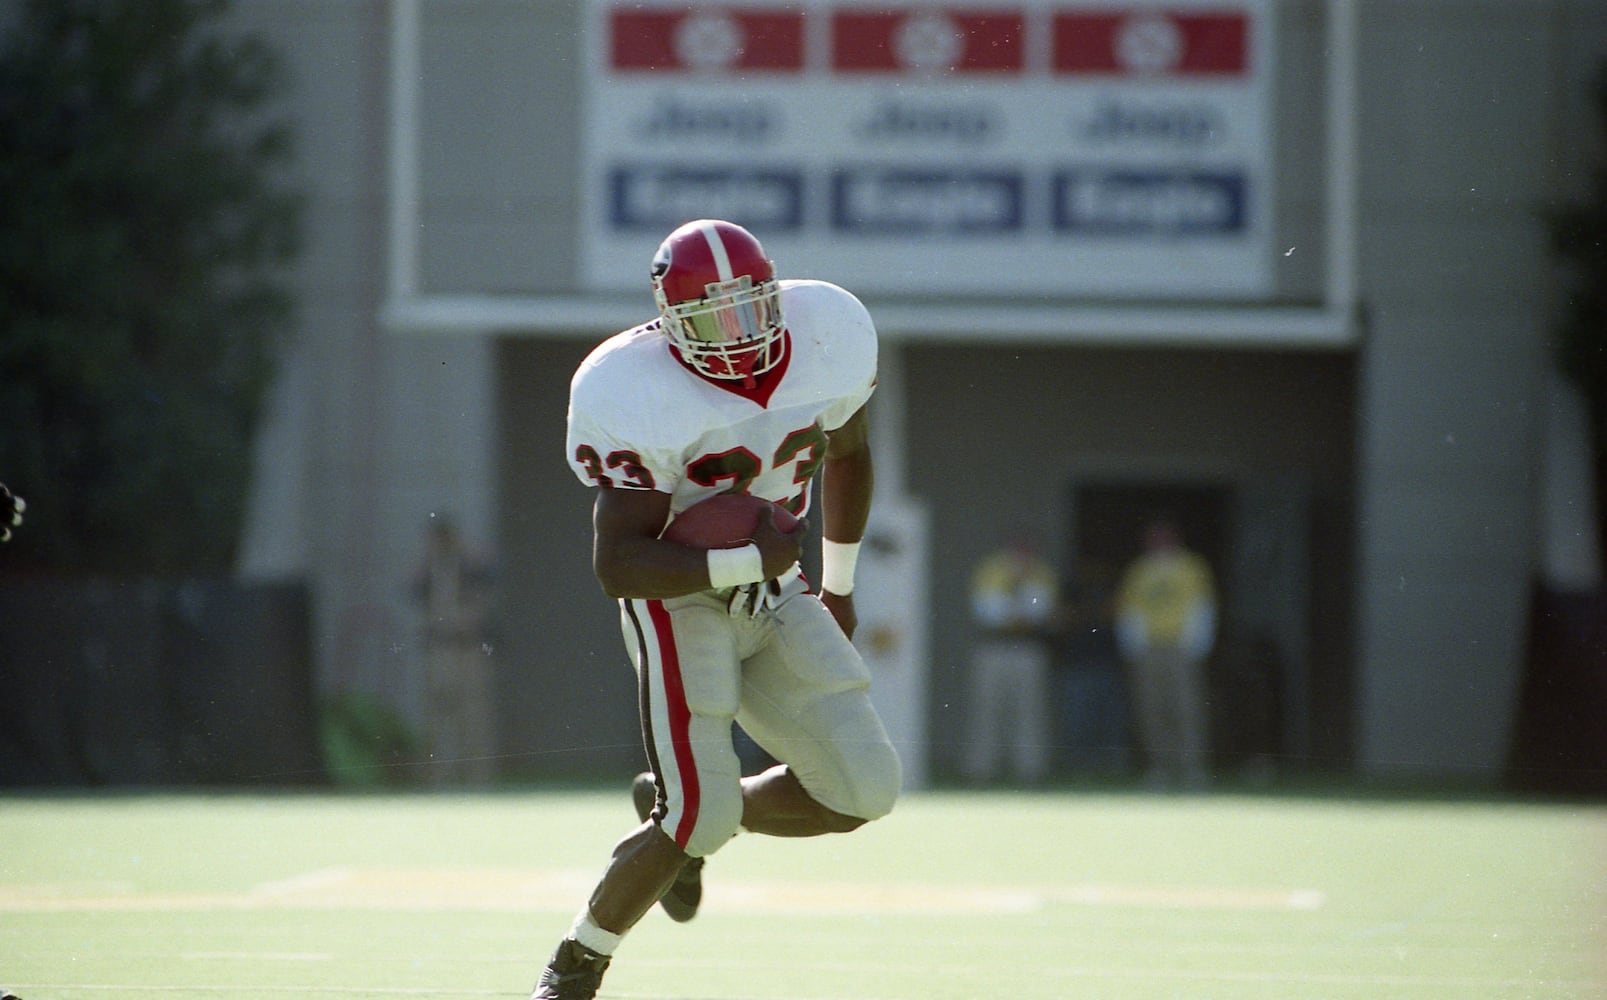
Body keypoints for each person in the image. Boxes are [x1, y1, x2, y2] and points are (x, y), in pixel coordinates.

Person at [533, 219, 901, 999]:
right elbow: (618, 563)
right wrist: (744, 560)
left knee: (862, 790)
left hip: (774, 585)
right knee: (694, 808)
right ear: (670, 325)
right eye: (712, 319)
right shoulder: (626, 387)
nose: (738, 337)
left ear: (777, 295)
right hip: (677, 594)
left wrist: (837, 584)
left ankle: (703, 830)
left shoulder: (829, 330)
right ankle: (575, 965)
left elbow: (850, 452)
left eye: (751, 308)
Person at [1114, 518, 1218, 790]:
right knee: (1152, 708)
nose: (1157, 542)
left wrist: (1198, 642)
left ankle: (1192, 767)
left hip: (1180, 644)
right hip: (1150, 646)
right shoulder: (1139, 569)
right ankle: (1159, 767)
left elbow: (1202, 605)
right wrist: (1131, 644)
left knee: (1186, 707)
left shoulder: (1191, 567)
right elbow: (1129, 609)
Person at [962, 532, 1060, 785]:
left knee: (1029, 711)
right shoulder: (991, 569)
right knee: (988, 709)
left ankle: (1030, 771)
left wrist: (1017, 612)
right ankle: (981, 771)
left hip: (1028, 647)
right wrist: (1015, 615)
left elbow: (1041, 610)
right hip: (994, 645)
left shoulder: (1041, 572)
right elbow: (986, 611)